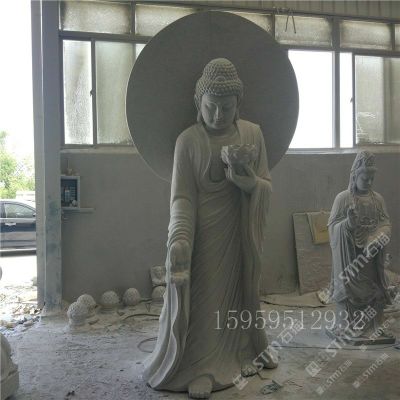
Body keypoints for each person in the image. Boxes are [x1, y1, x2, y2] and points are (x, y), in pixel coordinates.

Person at [143, 58, 277, 399]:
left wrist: (250, 184)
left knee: (242, 293)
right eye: (211, 107)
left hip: (240, 233)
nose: (218, 115)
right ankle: (200, 366)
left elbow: (265, 185)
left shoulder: (252, 134)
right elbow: (182, 198)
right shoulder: (188, 141)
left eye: (227, 108)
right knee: (204, 301)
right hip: (202, 236)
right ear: (197, 102)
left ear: (238, 103)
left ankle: (246, 351)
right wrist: (180, 237)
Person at [328, 151, 392, 339]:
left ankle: (374, 326)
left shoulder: (377, 200)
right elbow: (333, 228)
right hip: (350, 258)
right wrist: (348, 224)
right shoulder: (343, 199)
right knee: (349, 291)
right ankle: (346, 326)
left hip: (371, 258)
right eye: (365, 178)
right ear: (355, 175)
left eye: (372, 178)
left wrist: (376, 238)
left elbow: (386, 224)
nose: (369, 182)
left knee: (375, 290)